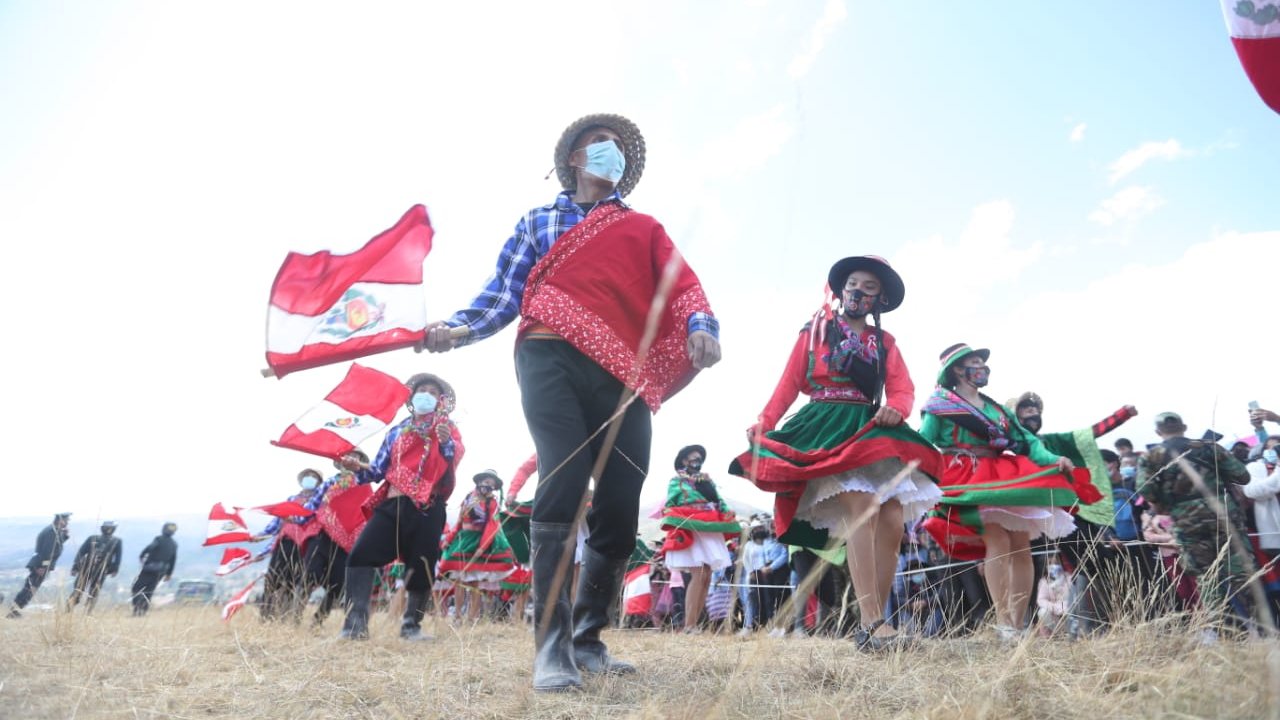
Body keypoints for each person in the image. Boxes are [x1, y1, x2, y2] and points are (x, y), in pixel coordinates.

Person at [421, 114, 721, 691]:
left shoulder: (644, 230)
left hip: (620, 369)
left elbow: (682, 285)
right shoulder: (539, 220)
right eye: (598, 147)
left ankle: (588, 640)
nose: (610, 155)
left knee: (622, 491)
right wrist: (455, 330)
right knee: (564, 473)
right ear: (576, 160)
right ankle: (551, 648)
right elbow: (504, 294)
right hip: (549, 354)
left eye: (616, 149)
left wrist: (700, 324)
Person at [728, 256, 943, 650]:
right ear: (842, 289)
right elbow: (789, 382)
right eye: (853, 283)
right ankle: (873, 622)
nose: (858, 291)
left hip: (870, 428)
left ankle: (875, 621)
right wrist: (766, 420)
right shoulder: (814, 332)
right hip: (825, 425)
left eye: (870, 287)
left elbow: (902, 387)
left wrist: (897, 407)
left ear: (879, 299)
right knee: (861, 509)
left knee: (893, 519)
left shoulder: (885, 342)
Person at [919, 344, 1099, 641]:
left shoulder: (996, 410)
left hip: (998, 471)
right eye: (974, 362)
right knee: (997, 539)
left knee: (1020, 544)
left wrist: (1052, 459)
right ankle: (1003, 621)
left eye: (981, 362)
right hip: (964, 473)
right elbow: (924, 441)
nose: (982, 367)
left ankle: (1018, 624)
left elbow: (1026, 441)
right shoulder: (939, 404)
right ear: (956, 370)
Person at [337, 372, 462, 641]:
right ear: (411, 397)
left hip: (428, 505)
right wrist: (354, 468)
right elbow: (379, 470)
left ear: (440, 400)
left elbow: (453, 456)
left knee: (421, 564)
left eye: (432, 391)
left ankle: (411, 627)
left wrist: (445, 441)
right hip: (393, 503)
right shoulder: (396, 430)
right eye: (421, 390)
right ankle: (354, 626)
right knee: (360, 555)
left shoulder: (446, 428)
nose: (425, 394)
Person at [1138, 411, 1257, 635]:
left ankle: (1228, 635)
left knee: (1206, 576)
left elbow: (1146, 491)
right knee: (1242, 572)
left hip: (1187, 522)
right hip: (1224, 515)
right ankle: (1263, 630)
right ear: (1184, 426)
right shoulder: (1210, 446)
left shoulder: (1151, 457)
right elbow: (1243, 476)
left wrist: (1166, 504)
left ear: (1158, 431)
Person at [659, 445, 737, 634]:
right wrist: (697, 505)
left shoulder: (708, 481)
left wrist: (726, 513)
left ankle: (696, 623)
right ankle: (689, 625)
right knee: (699, 573)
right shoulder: (676, 481)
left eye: (699, 458)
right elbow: (672, 502)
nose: (697, 461)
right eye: (693, 458)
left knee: (707, 575)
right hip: (693, 527)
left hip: (710, 527)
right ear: (684, 461)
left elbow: (719, 501)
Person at [302, 450, 372, 627]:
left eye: (356, 458)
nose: (351, 460)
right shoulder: (329, 483)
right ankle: (292, 615)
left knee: (337, 585)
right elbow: (312, 507)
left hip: (347, 542)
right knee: (310, 575)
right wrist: (296, 518)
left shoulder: (364, 485)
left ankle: (318, 620)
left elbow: (367, 511)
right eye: (348, 457)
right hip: (323, 534)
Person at [439, 470, 518, 622]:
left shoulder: (493, 503)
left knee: (475, 583)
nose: (489, 486)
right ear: (480, 481)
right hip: (463, 541)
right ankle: (457, 617)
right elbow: (460, 522)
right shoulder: (469, 497)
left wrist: (481, 548)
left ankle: (472, 618)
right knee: (459, 581)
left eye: (492, 485)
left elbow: (492, 525)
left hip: (481, 541)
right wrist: (449, 539)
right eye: (487, 482)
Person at [257, 469, 323, 622]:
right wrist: (260, 537)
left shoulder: (319, 502)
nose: (310, 479)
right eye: (308, 476)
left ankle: (286, 618)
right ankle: (266, 618)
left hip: (304, 546)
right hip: (284, 543)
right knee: (272, 581)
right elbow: (276, 523)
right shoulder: (291, 500)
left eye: (314, 477)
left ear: (319, 482)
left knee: (293, 583)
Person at [7, 512, 72, 618]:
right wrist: (42, 567)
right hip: (40, 566)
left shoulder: (55, 531)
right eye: (66, 520)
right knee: (30, 589)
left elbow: (56, 546)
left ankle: (15, 610)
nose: (67, 522)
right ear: (60, 520)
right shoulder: (51, 532)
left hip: (41, 565)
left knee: (31, 588)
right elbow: (47, 552)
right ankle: (13, 611)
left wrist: (64, 536)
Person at [67, 520, 123, 613]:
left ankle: (88, 611)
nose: (108, 530)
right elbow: (81, 553)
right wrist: (75, 567)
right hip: (86, 568)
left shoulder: (116, 541)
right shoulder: (92, 539)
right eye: (107, 528)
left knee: (94, 591)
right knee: (79, 589)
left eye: (110, 528)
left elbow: (118, 557)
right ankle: (69, 609)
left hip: (102, 569)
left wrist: (114, 569)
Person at [132, 523, 178, 616]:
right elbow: (173, 560)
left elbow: (150, 547)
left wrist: (142, 555)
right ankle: (143, 610)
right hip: (162, 571)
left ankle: (137, 608)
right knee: (149, 590)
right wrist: (169, 574)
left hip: (149, 568)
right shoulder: (174, 544)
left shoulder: (159, 539)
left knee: (137, 588)